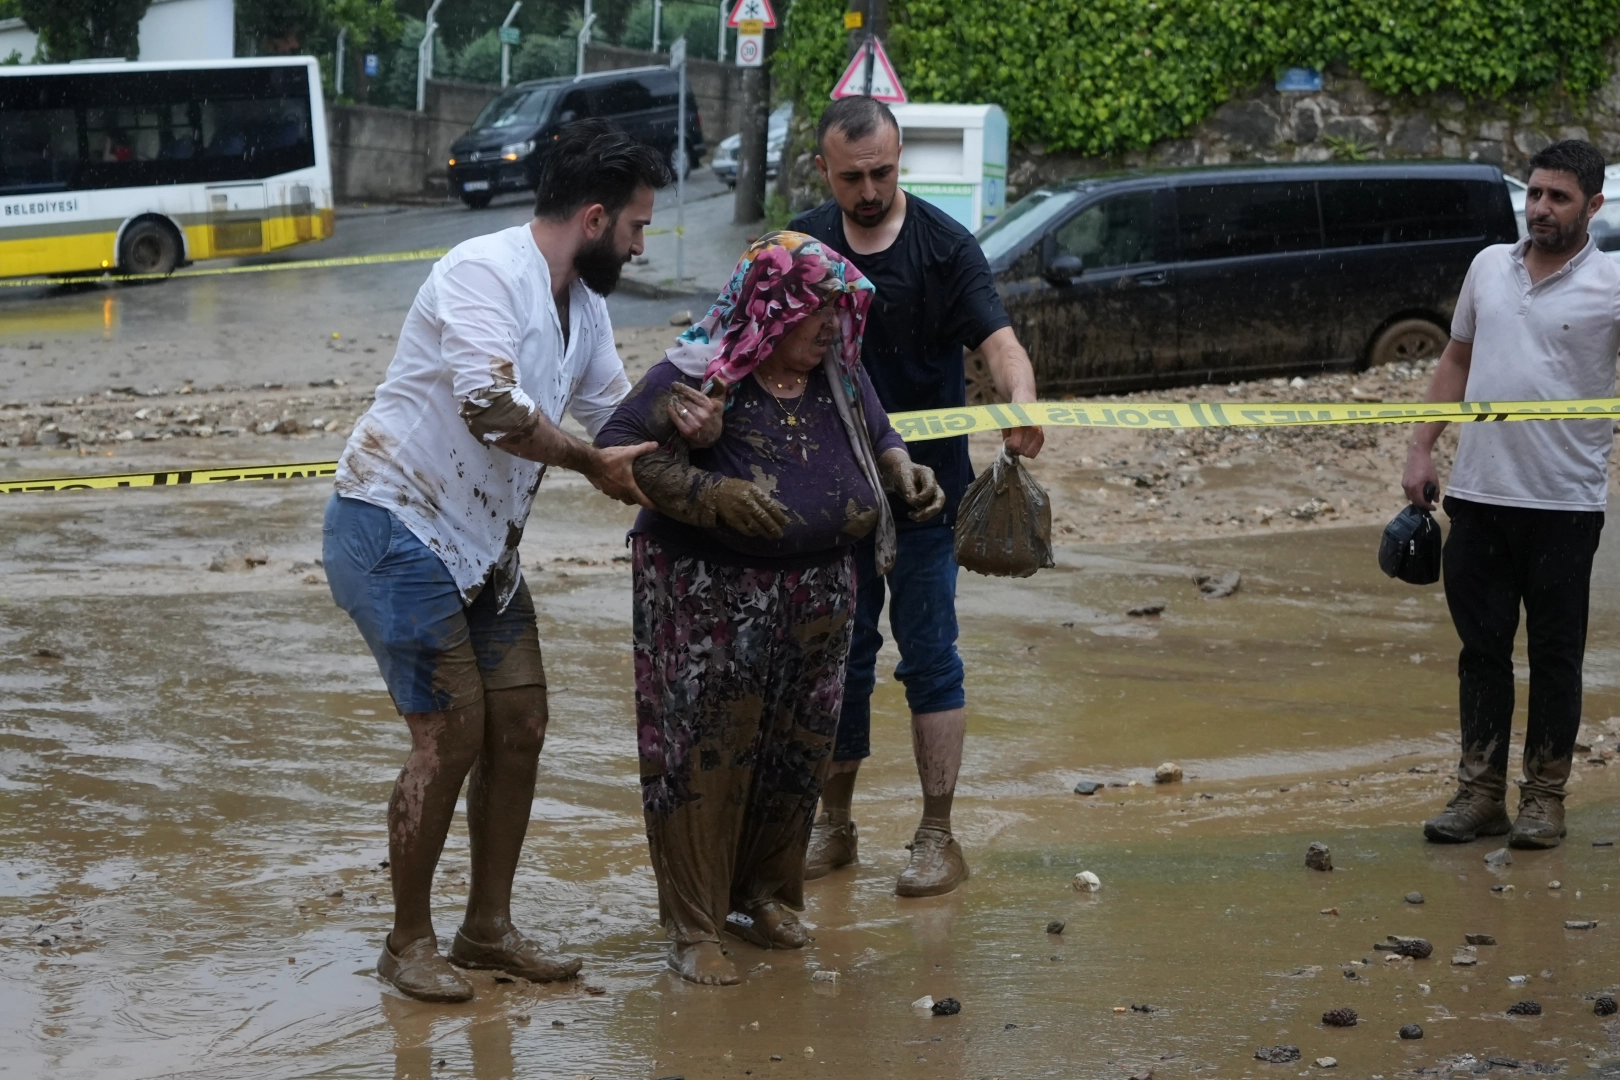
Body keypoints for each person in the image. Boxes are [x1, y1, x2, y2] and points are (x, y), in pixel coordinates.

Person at [322, 120, 722, 1003]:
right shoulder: (481, 272)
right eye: (637, 227)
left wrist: (689, 425)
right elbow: (491, 408)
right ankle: (407, 940)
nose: (642, 241)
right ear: (592, 216)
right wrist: (590, 464)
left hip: (480, 547)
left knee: (523, 723)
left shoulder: (584, 305)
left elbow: (619, 419)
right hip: (390, 525)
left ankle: (486, 929)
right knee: (452, 731)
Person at [595, 232, 944, 984]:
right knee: (707, 756)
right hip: (709, 602)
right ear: (774, 306)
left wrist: (902, 469)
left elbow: (878, 432)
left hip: (819, 594)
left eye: (837, 310)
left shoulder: (838, 372)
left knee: (797, 750)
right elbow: (618, 451)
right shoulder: (701, 370)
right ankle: (694, 926)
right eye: (818, 309)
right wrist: (707, 492)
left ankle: (766, 894)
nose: (831, 324)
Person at [789, 96, 1044, 896]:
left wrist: (1021, 402)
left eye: (884, 173)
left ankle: (938, 836)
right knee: (841, 660)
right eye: (853, 176)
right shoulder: (799, 247)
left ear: (900, 162)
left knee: (931, 659)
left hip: (931, 500)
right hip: (831, 499)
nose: (869, 190)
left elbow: (1000, 343)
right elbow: (737, 343)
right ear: (824, 169)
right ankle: (833, 828)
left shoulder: (944, 245)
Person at [1403, 139, 1620, 850]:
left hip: (1565, 503)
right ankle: (1480, 795)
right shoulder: (1487, 268)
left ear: (1593, 205)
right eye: (1534, 194)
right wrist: (1420, 445)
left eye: (1559, 198)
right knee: (1482, 650)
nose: (1541, 209)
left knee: (1556, 654)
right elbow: (1457, 358)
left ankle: (1545, 799)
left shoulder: (1613, 284)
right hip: (1481, 494)